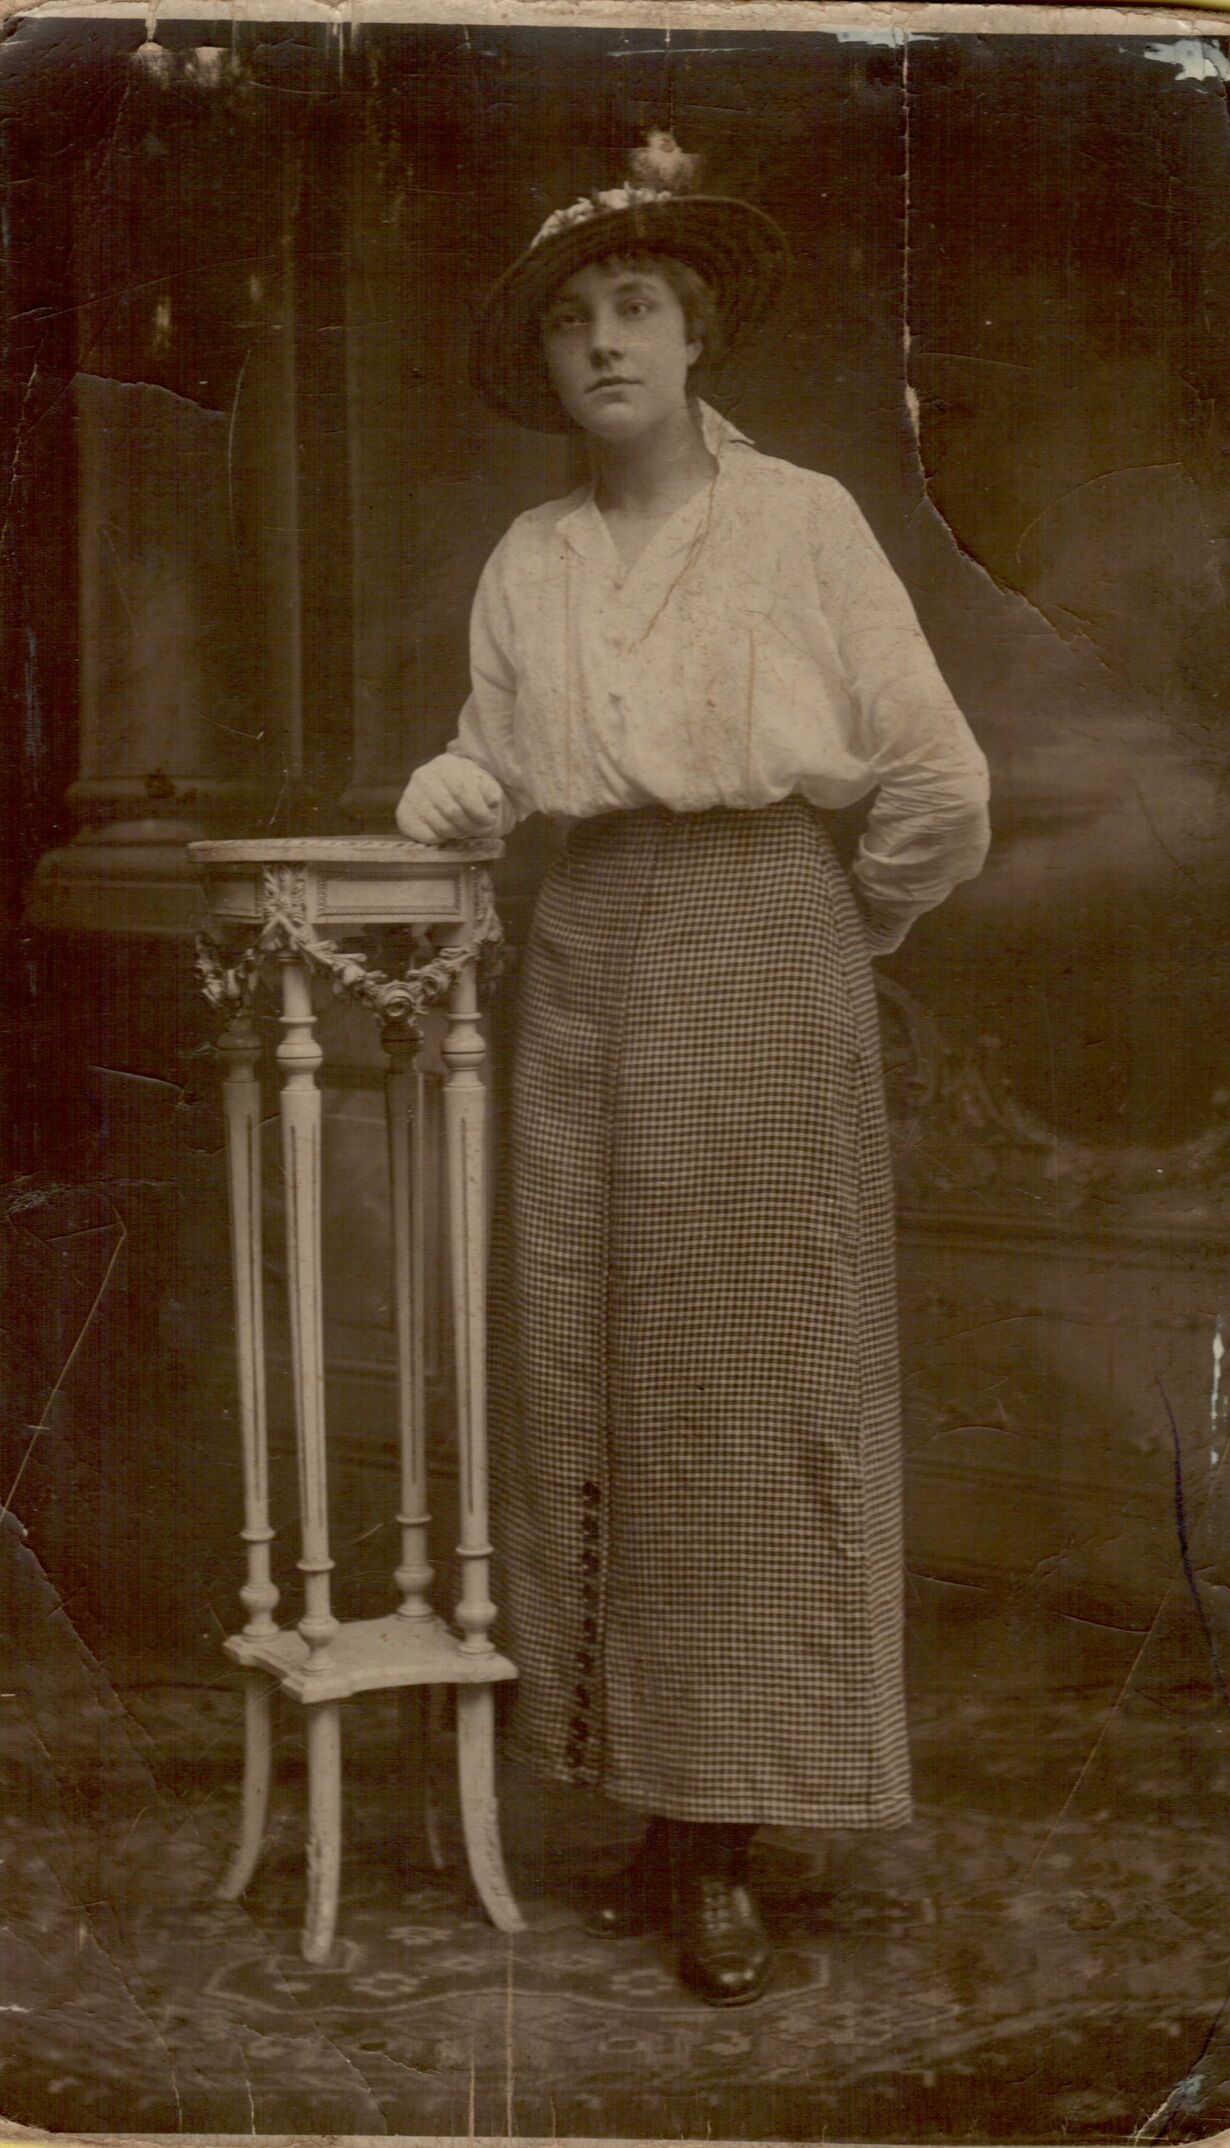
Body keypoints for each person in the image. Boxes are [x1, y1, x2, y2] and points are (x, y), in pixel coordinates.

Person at [397, 137, 990, 2008]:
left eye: (634, 306)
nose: (603, 344)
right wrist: (455, 784)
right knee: (595, 1379)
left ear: (696, 329)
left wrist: (832, 933)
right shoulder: (533, 558)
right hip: (581, 960)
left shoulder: (800, 520)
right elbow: (497, 759)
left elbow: (938, 786)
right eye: (571, 322)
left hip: (758, 948)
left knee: (746, 1403)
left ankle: (726, 1832)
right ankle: (655, 1797)